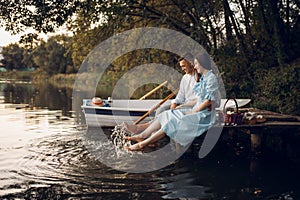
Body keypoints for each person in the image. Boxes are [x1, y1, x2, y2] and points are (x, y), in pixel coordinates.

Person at [124, 51, 221, 151]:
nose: (195, 66)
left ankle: (143, 140)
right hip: (197, 109)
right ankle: (143, 136)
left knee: (172, 119)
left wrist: (192, 111)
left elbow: (209, 101)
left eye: (195, 64)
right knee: (166, 114)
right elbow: (197, 99)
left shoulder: (209, 78)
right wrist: (178, 105)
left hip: (203, 115)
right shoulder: (202, 79)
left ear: (201, 63)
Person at [124, 53, 198, 134]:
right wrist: (174, 103)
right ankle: (152, 135)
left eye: (184, 66)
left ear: (191, 63)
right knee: (160, 110)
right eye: (181, 66)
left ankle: (140, 128)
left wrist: (180, 106)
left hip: (192, 107)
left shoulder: (199, 77)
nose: (182, 69)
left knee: (166, 114)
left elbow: (199, 100)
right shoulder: (185, 78)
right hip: (183, 105)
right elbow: (180, 96)